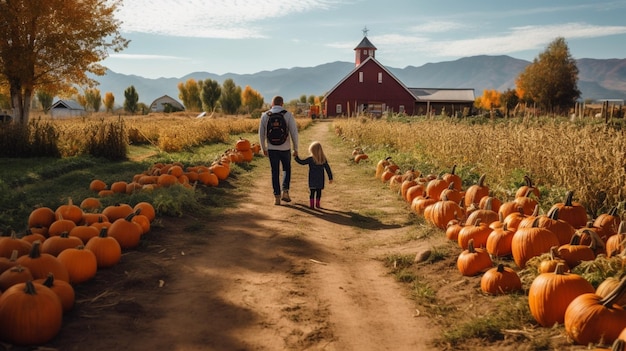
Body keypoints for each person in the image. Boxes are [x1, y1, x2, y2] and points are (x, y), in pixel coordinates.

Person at [258, 96, 299, 205]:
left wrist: (263, 148)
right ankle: (285, 191)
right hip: (285, 148)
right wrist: (296, 148)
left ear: (272, 104)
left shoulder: (265, 115)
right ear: (282, 103)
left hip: (272, 149)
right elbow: (294, 133)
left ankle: (276, 196)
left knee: (274, 172)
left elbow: (261, 134)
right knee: (286, 169)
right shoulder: (288, 114)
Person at [295, 141, 333, 209]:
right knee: (319, 192)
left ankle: (312, 205)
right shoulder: (323, 159)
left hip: (312, 178)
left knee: (312, 192)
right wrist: (330, 178)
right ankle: (317, 204)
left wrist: (296, 157)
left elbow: (302, 162)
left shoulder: (310, 159)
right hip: (320, 179)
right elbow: (328, 169)